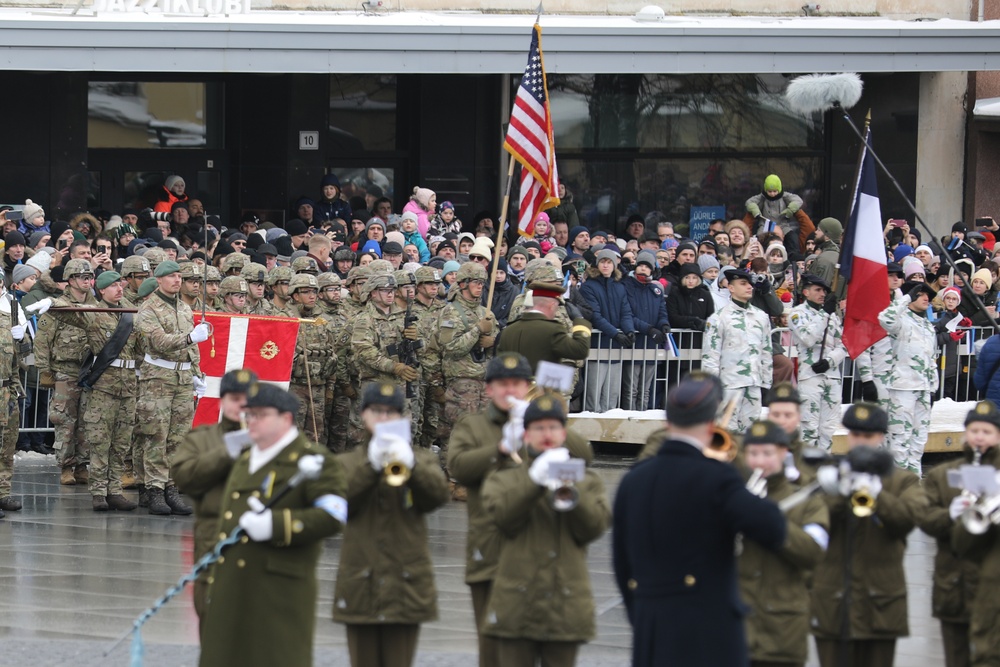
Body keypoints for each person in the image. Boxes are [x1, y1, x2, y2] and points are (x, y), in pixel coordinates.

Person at [613, 372, 787, 666]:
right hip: (710, 630)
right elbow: (773, 527)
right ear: (710, 424)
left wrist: (642, 612)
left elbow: (621, 563)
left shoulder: (634, 480)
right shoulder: (718, 476)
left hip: (651, 626)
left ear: (668, 422)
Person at [447, 353, 594, 667]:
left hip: (542, 553)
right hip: (491, 550)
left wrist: (547, 423)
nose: (510, 390)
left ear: (528, 386)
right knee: (494, 652)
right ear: (489, 389)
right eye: (502, 384)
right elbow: (458, 466)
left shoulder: (541, 422)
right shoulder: (472, 425)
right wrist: (501, 448)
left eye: (517, 383)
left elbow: (586, 456)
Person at [198, 383, 347, 667]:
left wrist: (276, 525)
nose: (251, 421)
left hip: (277, 589)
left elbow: (333, 516)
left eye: (260, 415)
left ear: (286, 418)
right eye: (249, 415)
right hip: (231, 586)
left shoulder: (312, 459)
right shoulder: (245, 460)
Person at [481, 393, 610, 666]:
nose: (546, 434)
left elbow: (593, 528)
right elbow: (502, 520)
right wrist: (535, 481)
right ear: (526, 435)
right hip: (517, 604)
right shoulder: (503, 478)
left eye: (553, 427)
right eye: (538, 428)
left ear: (564, 433)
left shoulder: (587, 479)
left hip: (566, 605)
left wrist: (571, 487)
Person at [333, 382, 449, 667]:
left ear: (403, 418)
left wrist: (412, 465)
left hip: (406, 582)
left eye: (391, 412)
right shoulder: (347, 462)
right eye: (376, 411)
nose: (383, 419)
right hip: (361, 580)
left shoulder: (420, 458)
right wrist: (370, 467)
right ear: (363, 416)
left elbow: (436, 497)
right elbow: (340, 501)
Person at [810, 402, 925, 666]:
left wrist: (878, 495)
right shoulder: (827, 476)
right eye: (856, 435)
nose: (861, 442)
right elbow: (816, 519)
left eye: (868, 436)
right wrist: (841, 489)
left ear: (881, 437)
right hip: (833, 600)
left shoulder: (902, 480)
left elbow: (906, 522)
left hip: (881, 601)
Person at [44, 271, 141, 512]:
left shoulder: (130, 313)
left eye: (120, 284)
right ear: (101, 291)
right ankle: (99, 492)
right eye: (113, 285)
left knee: (121, 441)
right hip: (104, 386)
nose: (119, 288)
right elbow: (69, 313)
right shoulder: (94, 314)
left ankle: (115, 490)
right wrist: (52, 302)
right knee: (100, 440)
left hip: (128, 385)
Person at [738, 420, 830, 667]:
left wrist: (773, 523)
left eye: (767, 453)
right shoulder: (730, 495)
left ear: (783, 454)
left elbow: (814, 551)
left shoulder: (806, 500)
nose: (760, 461)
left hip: (782, 633)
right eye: (753, 453)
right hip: (735, 631)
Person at [171, 369, 257, 632]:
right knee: (212, 620)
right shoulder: (203, 439)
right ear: (222, 400)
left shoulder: (272, 438)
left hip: (258, 541)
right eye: (233, 398)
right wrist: (225, 453)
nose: (240, 405)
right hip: (213, 537)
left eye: (247, 398)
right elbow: (184, 477)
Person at [920, 401, 999, 667]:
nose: (979, 437)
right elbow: (924, 518)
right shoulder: (944, 475)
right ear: (966, 434)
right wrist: (950, 514)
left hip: (993, 587)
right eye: (974, 430)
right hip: (953, 584)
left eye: (987, 432)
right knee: (956, 658)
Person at [134, 260, 208, 516]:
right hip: (158, 378)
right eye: (172, 276)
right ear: (159, 280)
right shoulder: (148, 309)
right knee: (156, 435)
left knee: (178, 437)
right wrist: (190, 337)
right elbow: (158, 342)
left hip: (183, 379)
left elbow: (192, 348)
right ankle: (154, 489)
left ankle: (171, 487)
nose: (178, 280)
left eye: (179, 276)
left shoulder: (184, 309)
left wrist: (197, 372)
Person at [34, 258, 97, 486]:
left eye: (90, 277)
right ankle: (66, 466)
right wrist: (45, 371)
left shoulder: (98, 306)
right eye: (83, 277)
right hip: (64, 371)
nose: (88, 281)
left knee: (87, 422)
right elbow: (42, 341)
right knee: (65, 421)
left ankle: (82, 465)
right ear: (70, 280)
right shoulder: (57, 306)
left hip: (89, 372)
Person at [702, 268, 773, 432]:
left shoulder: (761, 316)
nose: (749, 287)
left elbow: (766, 350)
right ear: (731, 288)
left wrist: (767, 382)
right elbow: (711, 356)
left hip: (753, 383)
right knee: (726, 432)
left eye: (750, 284)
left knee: (752, 434)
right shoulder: (718, 318)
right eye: (743, 283)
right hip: (729, 385)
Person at [878, 282, 938, 474]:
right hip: (903, 386)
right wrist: (904, 298)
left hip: (923, 388)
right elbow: (884, 319)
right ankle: (899, 485)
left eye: (927, 295)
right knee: (900, 439)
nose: (926, 298)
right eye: (920, 294)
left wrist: (933, 386)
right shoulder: (901, 320)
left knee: (919, 440)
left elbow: (932, 358)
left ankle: (914, 484)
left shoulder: (928, 325)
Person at [788, 274, 847, 451]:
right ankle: (807, 471)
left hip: (832, 376)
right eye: (818, 290)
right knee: (809, 429)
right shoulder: (797, 314)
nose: (822, 294)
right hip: (810, 376)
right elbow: (808, 338)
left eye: (824, 291)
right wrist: (824, 315)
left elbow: (844, 345)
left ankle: (823, 469)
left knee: (828, 429)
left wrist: (830, 361)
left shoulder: (832, 317)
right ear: (806, 292)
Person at [580, 248, 635, 412]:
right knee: (594, 394)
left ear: (614, 265)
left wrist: (629, 330)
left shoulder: (619, 287)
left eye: (609, 262)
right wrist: (615, 333)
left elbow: (625, 312)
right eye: (603, 262)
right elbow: (595, 316)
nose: (605, 265)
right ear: (597, 264)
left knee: (612, 395)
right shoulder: (589, 286)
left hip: (615, 348)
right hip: (598, 346)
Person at [286, 274, 337, 445]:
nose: (312, 296)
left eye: (315, 292)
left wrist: (329, 387)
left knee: (316, 435)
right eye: (306, 292)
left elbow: (332, 353)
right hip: (294, 387)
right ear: (295, 295)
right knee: (292, 436)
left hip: (318, 387)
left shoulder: (321, 319)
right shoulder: (284, 318)